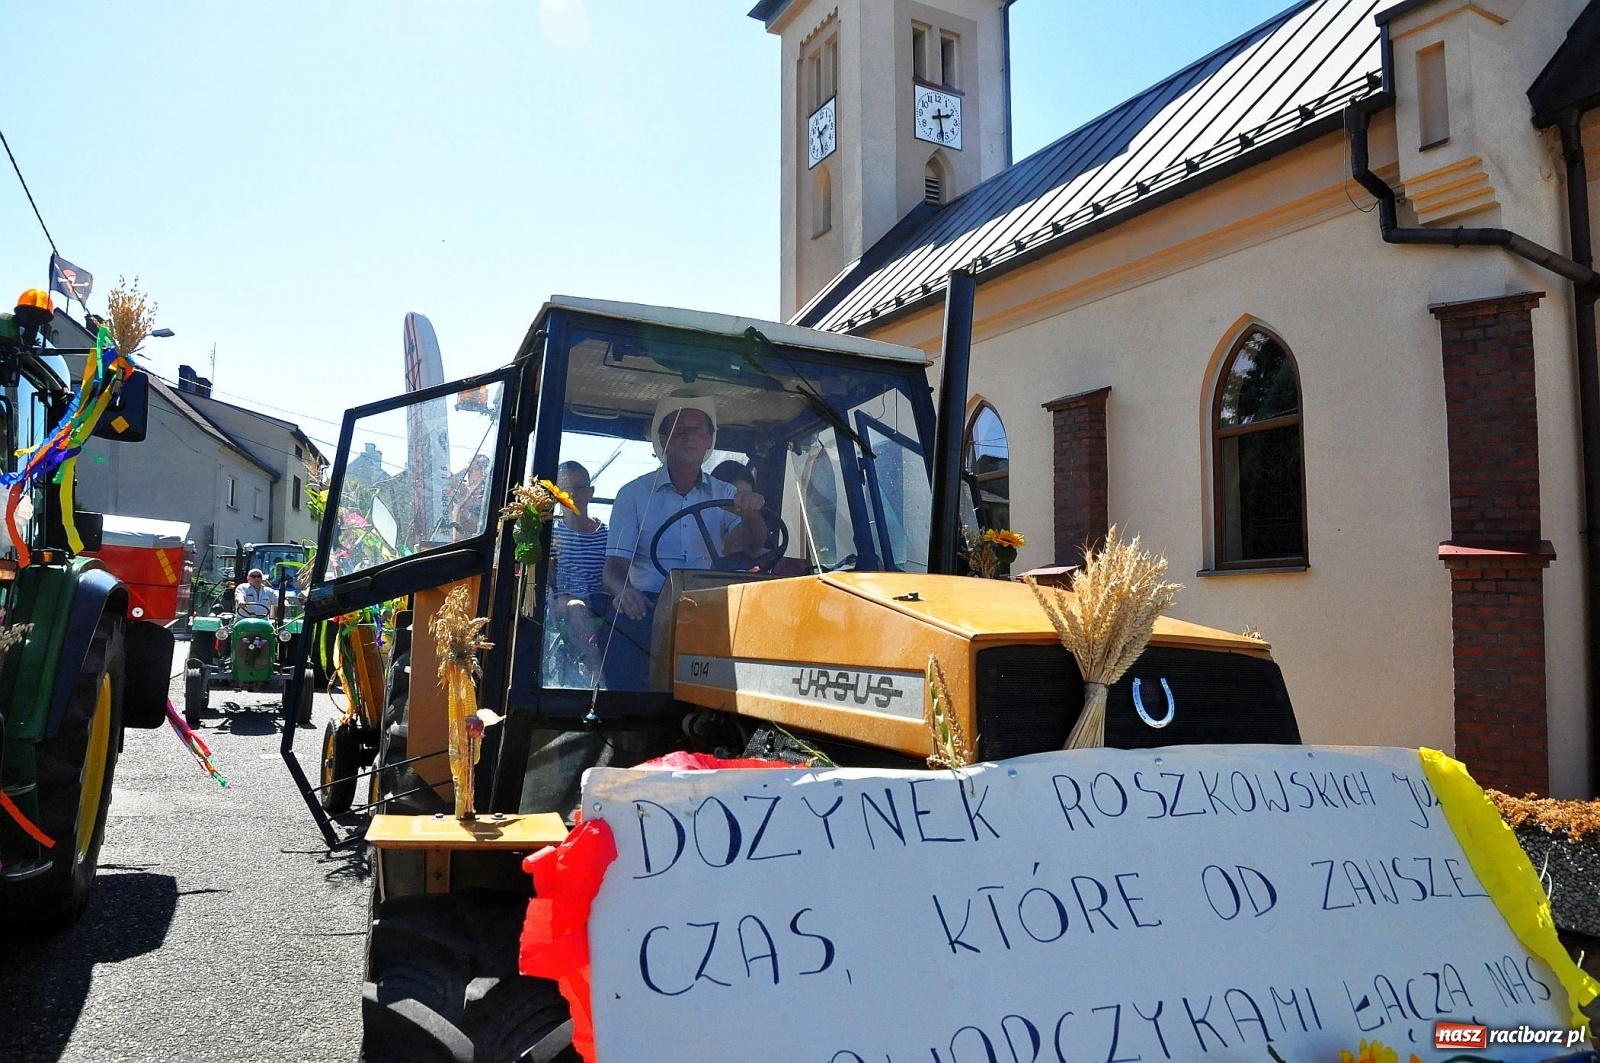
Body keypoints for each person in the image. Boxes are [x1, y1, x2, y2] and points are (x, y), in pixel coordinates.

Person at [602, 399, 766, 688]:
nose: (689, 436)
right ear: (663, 439)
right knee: (619, 633)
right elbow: (614, 568)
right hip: (650, 604)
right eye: (679, 430)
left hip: (710, 604)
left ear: (709, 440)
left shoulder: (727, 494)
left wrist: (752, 515)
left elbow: (753, 546)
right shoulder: (633, 494)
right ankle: (625, 719)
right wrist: (625, 591)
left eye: (698, 430)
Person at [547, 461, 607, 683]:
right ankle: (595, 668)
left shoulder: (607, 535)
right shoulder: (550, 536)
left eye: (580, 488)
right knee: (577, 608)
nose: (572, 495)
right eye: (565, 489)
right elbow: (548, 580)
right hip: (564, 602)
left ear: (591, 492)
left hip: (602, 601)